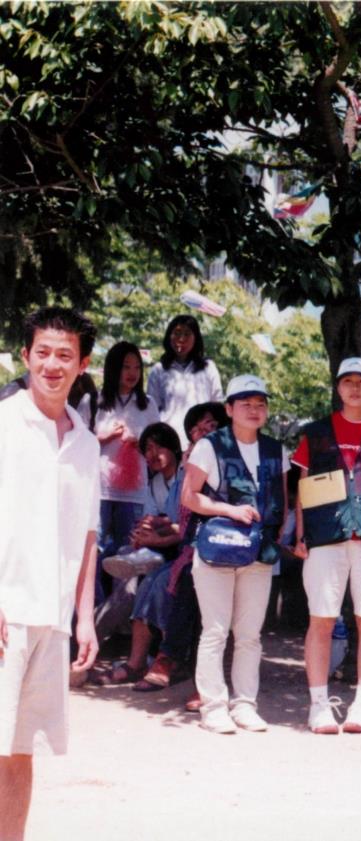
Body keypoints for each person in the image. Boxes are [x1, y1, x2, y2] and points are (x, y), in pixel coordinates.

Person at [0, 307, 100, 841]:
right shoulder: (3, 422)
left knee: (20, 751)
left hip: (52, 619)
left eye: (65, 355)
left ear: (82, 364)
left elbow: (87, 533)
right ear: (25, 357)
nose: (52, 364)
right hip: (5, 612)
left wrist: (83, 618)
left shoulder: (85, 442)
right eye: (43, 352)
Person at [292, 358, 361, 735]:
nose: (355, 388)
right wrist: (300, 536)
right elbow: (303, 488)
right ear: (338, 388)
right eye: (348, 381)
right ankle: (319, 705)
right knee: (321, 620)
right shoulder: (315, 432)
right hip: (325, 537)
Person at [182, 375, 289, 734]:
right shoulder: (209, 446)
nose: (254, 410)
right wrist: (230, 511)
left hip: (258, 552)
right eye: (245, 403)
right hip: (217, 550)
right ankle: (213, 706)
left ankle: (245, 704)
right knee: (214, 630)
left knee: (250, 633)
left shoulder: (277, 449)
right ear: (229, 409)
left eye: (260, 403)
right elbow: (190, 496)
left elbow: (283, 501)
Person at [134, 402, 228, 699]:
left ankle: (174, 661)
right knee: (176, 577)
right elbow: (182, 521)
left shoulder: (227, 463)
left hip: (228, 546)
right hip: (195, 548)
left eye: (209, 426)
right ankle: (165, 659)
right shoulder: (189, 467)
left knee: (185, 579)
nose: (201, 433)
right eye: (196, 428)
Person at [97, 422, 185, 686]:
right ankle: (128, 648)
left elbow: (194, 525)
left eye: (158, 447)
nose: (152, 454)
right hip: (163, 547)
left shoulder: (187, 476)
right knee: (126, 558)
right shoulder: (155, 483)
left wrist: (159, 532)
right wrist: (144, 532)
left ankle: (139, 658)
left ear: (174, 448)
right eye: (147, 449)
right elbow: (152, 517)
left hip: (184, 549)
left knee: (150, 582)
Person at [94, 341, 160, 563]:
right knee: (95, 548)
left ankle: (122, 598)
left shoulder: (148, 404)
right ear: (113, 368)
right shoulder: (94, 400)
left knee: (128, 552)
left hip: (134, 492)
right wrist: (102, 437)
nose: (133, 373)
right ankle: (93, 598)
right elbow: (76, 444)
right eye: (125, 366)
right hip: (99, 489)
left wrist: (139, 441)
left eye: (137, 367)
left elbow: (158, 446)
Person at [146, 314, 224, 444]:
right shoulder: (158, 371)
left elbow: (218, 405)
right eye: (176, 333)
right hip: (169, 443)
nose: (181, 339)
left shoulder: (209, 368)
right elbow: (152, 412)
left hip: (204, 441)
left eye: (187, 334)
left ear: (196, 338)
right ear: (168, 336)